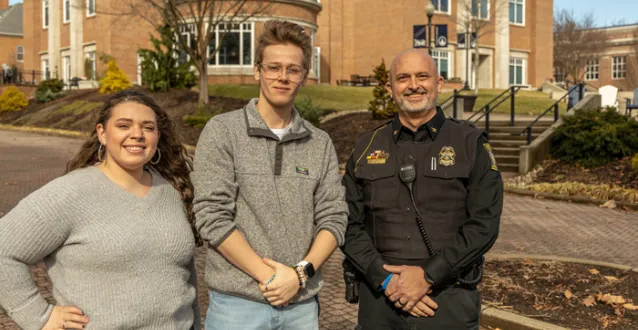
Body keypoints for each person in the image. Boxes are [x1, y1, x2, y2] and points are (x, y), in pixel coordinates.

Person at [191, 19, 347, 330]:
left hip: (301, 307)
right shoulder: (223, 132)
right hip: (237, 306)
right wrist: (273, 277)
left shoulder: (319, 143)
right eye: (274, 67)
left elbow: (334, 217)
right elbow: (212, 216)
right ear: (257, 71)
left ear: (303, 76)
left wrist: (300, 273)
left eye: (293, 70)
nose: (283, 77)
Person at [0, 90, 202, 330]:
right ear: (102, 133)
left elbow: (184, 277)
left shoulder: (173, 191)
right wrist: (38, 316)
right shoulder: (71, 192)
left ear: (158, 136)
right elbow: (4, 248)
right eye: (124, 125)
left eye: (148, 127)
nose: (137, 134)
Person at [341, 49, 503, 329]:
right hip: (380, 301)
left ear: (439, 84)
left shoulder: (470, 143)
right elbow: (347, 222)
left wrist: (428, 276)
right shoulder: (366, 146)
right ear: (390, 89)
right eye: (403, 78)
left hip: (446, 300)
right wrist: (388, 280)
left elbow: (484, 224)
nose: (413, 84)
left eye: (422, 76)